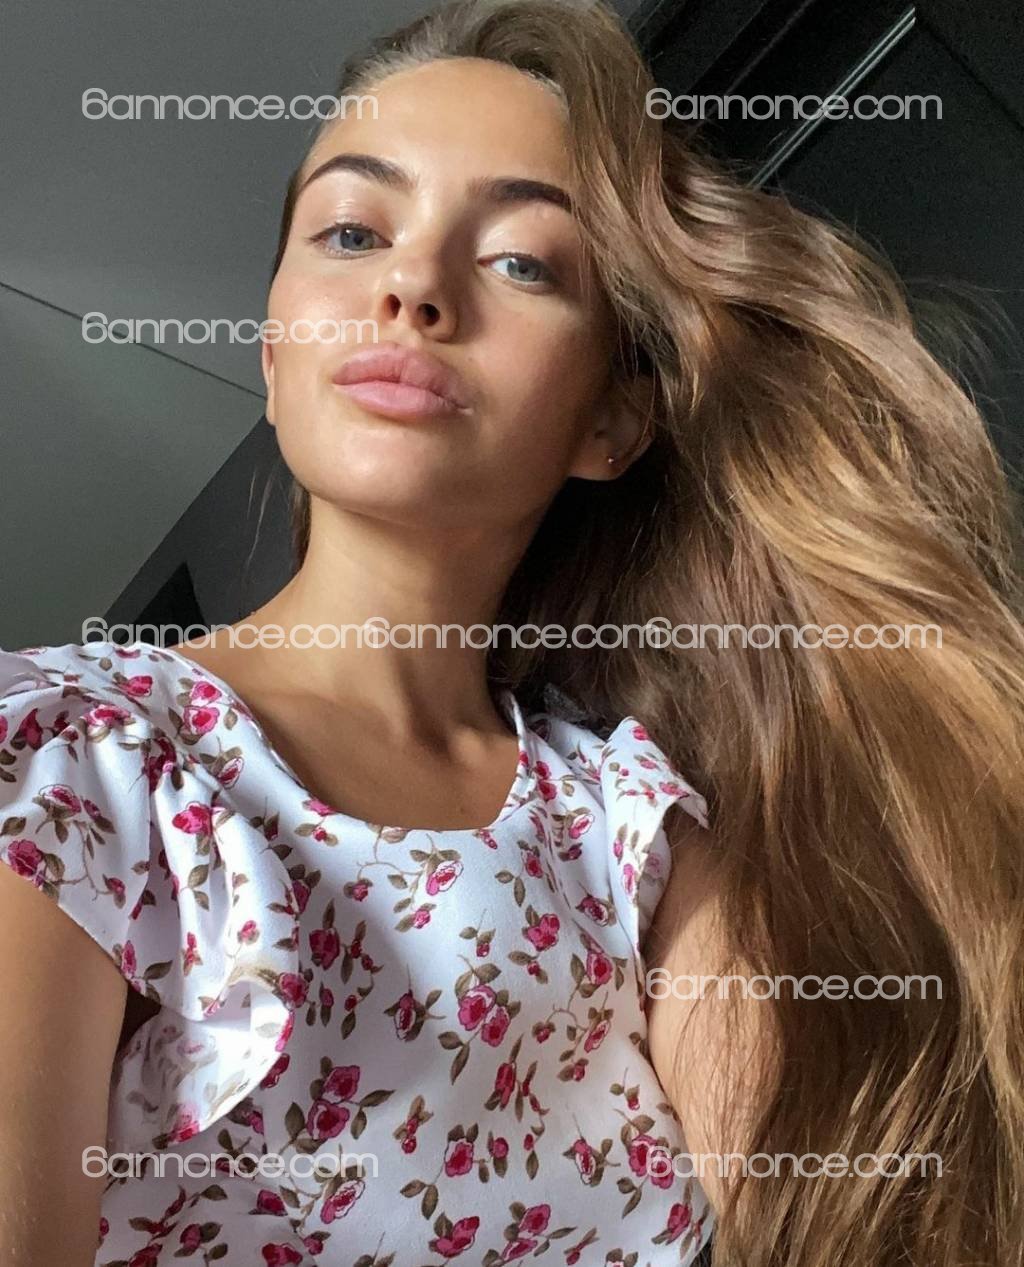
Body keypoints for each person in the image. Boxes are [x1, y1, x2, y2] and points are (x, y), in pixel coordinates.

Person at [1, 2, 1022, 1265]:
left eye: (522, 263)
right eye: (352, 231)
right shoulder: (64, 759)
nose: (411, 287)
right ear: (269, 352)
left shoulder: (631, 826)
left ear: (610, 422)